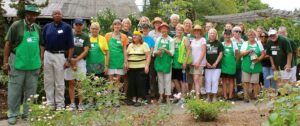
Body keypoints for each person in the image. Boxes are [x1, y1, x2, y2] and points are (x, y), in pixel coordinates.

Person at [3, 4, 43, 124]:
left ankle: (27, 113)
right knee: (15, 89)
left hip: (33, 65)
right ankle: (13, 113)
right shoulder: (16, 26)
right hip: (17, 63)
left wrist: (40, 60)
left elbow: (41, 45)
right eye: (30, 14)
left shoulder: (37, 28)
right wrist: (5, 62)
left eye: (34, 15)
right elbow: (8, 44)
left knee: (31, 91)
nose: (32, 16)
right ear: (26, 14)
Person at [43, 9, 74, 110]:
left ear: (62, 15)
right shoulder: (47, 27)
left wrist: (68, 60)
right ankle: (50, 104)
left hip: (60, 56)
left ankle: (60, 104)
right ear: (52, 16)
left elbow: (71, 46)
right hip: (47, 55)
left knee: (59, 82)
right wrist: (42, 57)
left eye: (59, 13)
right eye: (55, 14)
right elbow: (42, 44)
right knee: (48, 81)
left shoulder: (67, 27)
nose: (57, 15)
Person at [65, 18, 90, 111]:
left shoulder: (86, 36)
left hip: (80, 61)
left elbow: (86, 50)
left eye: (80, 24)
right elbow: (66, 47)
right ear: (73, 25)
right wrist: (71, 60)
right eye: (77, 24)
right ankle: (72, 103)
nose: (78, 26)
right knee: (71, 82)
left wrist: (76, 60)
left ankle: (81, 103)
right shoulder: (69, 35)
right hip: (69, 60)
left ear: (83, 25)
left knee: (80, 84)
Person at [126, 31, 151, 106]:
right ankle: (133, 98)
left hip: (141, 67)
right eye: (133, 35)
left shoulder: (144, 45)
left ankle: (140, 99)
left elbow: (148, 56)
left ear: (140, 37)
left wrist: (147, 66)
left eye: (136, 35)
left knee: (140, 84)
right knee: (132, 83)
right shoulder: (130, 45)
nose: (134, 37)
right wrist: (126, 63)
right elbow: (127, 55)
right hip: (131, 68)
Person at [240, 29, 265, 102]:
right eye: (249, 35)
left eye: (252, 34)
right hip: (246, 65)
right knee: (246, 82)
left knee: (255, 82)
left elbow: (263, 54)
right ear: (247, 36)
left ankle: (256, 96)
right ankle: (246, 97)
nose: (251, 36)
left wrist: (258, 59)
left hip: (256, 65)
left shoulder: (259, 43)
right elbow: (241, 53)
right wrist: (248, 51)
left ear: (255, 35)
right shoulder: (245, 43)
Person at [154, 23, 174, 103]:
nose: (164, 30)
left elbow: (172, 53)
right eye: (162, 29)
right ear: (160, 30)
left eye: (165, 29)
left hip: (167, 62)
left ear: (168, 30)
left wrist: (165, 50)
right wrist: (157, 52)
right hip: (159, 62)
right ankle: (161, 96)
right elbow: (154, 51)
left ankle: (168, 97)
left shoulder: (171, 40)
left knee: (168, 80)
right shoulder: (158, 39)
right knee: (160, 80)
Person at [105, 19, 129, 85]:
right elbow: (105, 49)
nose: (117, 26)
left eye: (118, 24)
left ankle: (116, 95)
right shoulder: (107, 35)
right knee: (110, 81)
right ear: (113, 26)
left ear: (121, 26)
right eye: (115, 24)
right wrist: (106, 64)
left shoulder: (124, 36)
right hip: (110, 61)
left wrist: (125, 62)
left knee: (117, 81)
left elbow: (124, 50)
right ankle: (109, 95)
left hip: (119, 61)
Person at [205, 28, 223, 102]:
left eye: (214, 33)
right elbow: (203, 54)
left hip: (217, 66)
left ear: (216, 34)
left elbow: (221, 54)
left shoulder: (219, 43)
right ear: (208, 34)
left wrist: (216, 63)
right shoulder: (205, 43)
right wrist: (206, 63)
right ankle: (208, 96)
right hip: (207, 66)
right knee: (208, 81)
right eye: (211, 33)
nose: (212, 34)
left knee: (215, 80)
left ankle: (215, 96)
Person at [172, 24, 190, 96]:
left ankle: (184, 95)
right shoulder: (173, 39)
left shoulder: (185, 39)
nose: (179, 31)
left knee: (183, 80)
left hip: (182, 63)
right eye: (177, 30)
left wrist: (185, 62)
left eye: (180, 30)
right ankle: (180, 95)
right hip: (174, 62)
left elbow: (188, 50)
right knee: (175, 79)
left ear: (183, 31)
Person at [221, 29, 238, 100]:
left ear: (231, 35)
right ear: (224, 35)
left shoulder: (234, 44)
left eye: (229, 35)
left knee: (231, 81)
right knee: (224, 81)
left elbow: (237, 54)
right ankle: (225, 96)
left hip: (231, 66)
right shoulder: (222, 44)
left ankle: (230, 96)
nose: (227, 36)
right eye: (226, 34)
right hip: (223, 65)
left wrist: (235, 63)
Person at [190, 25, 206, 99]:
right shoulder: (193, 40)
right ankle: (198, 94)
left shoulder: (203, 40)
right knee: (195, 79)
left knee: (197, 79)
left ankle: (197, 96)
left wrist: (198, 62)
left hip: (200, 63)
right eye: (195, 30)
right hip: (193, 63)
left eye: (198, 30)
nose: (196, 31)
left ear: (200, 31)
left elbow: (203, 52)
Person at [231, 26, 245, 93]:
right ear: (233, 32)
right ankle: (232, 92)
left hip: (240, 63)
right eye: (236, 31)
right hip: (232, 63)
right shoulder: (230, 40)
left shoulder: (243, 41)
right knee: (232, 79)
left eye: (239, 31)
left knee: (239, 78)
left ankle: (240, 92)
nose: (238, 33)